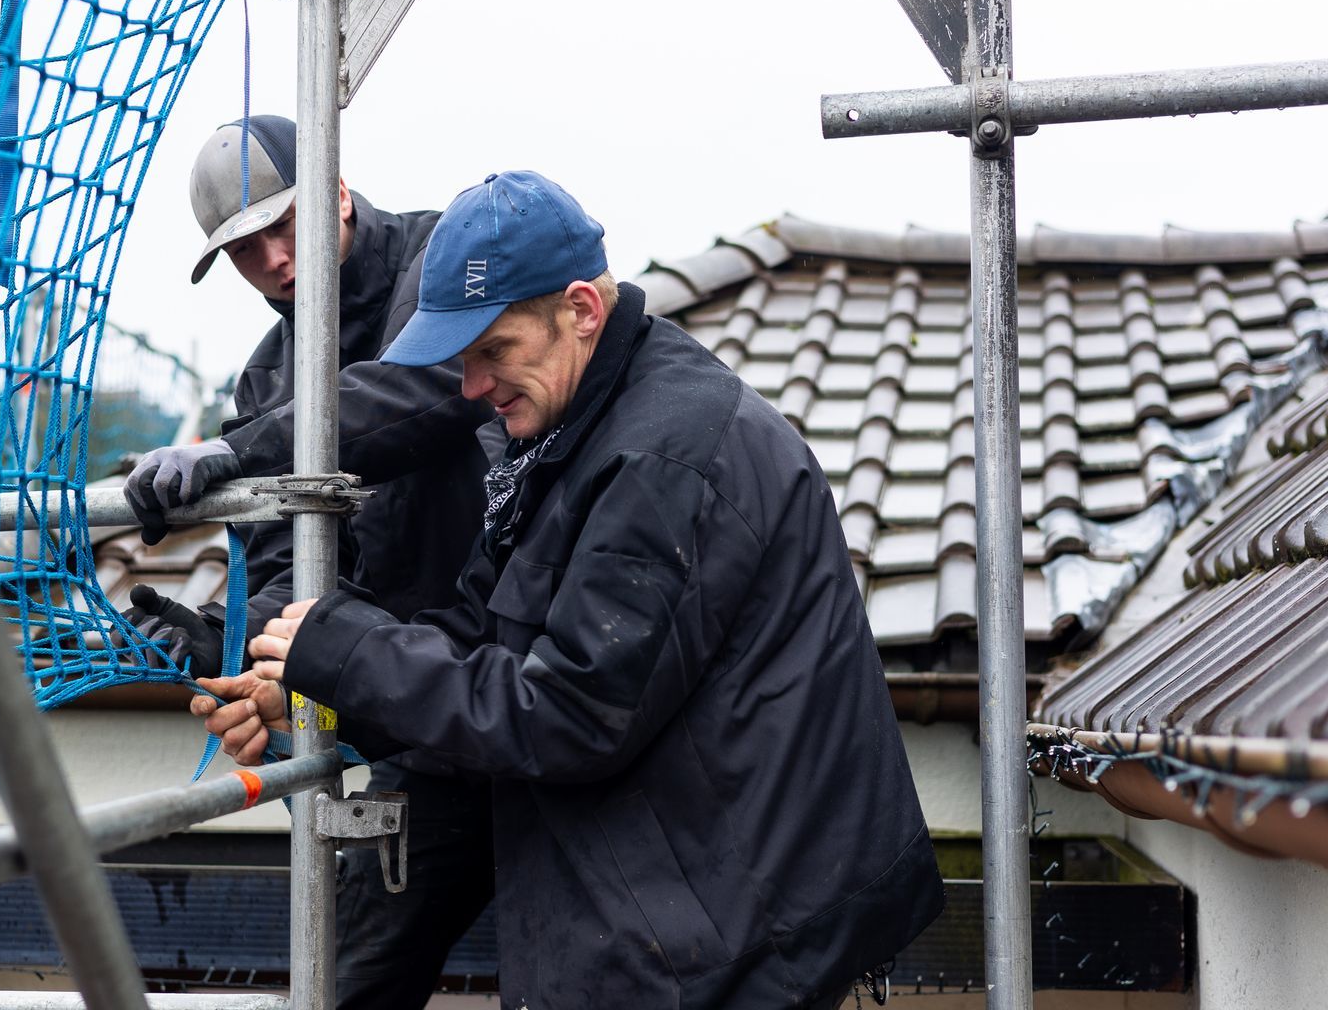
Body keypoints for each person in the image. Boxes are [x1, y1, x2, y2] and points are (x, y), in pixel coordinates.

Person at [194, 171, 945, 1009]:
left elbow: (568, 713)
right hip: (678, 901)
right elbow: (482, 631)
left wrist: (347, 649)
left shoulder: (663, 457)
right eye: (460, 361)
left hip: (729, 938)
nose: (471, 388)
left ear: (582, 310)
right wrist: (315, 693)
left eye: (492, 351)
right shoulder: (574, 429)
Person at [120, 115, 497, 1009]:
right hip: (419, 715)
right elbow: (295, 565)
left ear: (336, 192)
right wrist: (231, 640)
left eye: (284, 227)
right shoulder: (266, 382)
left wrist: (244, 451)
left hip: (531, 676)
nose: (275, 261)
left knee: (576, 965)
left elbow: (423, 390)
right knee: (345, 982)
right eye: (245, 250)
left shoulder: (442, 261)